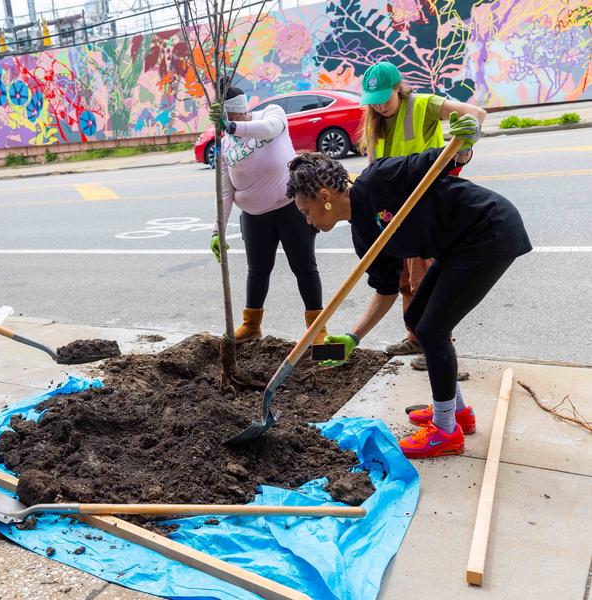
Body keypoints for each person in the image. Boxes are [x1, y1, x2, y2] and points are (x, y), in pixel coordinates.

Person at [285, 114, 531, 458]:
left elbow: (446, 159)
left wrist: (465, 141)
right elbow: (385, 290)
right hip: (455, 246)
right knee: (416, 319)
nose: (307, 220)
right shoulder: (363, 235)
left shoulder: (379, 179)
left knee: (432, 329)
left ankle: (446, 433)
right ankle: (455, 412)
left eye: (306, 211)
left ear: (325, 196)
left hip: (488, 231)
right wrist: (353, 339)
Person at [358, 61, 487, 375]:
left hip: (425, 207)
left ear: (398, 88)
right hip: (394, 211)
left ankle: (440, 349)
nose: (379, 106)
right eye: (372, 100)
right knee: (404, 282)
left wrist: (467, 140)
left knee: (424, 282)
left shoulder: (422, 105)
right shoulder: (376, 122)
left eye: (384, 99)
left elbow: (477, 114)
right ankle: (416, 338)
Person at [207, 82, 325, 344]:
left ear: (241, 111)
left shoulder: (271, 115)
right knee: (257, 271)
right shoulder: (226, 145)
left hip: (291, 208)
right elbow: (225, 193)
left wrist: (232, 126)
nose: (232, 124)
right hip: (254, 217)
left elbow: (269, 130)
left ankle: (317, 330)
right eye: (227, 120)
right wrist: (217, 231)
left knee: (304, 268)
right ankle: (251, 326)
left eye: (234, 117)